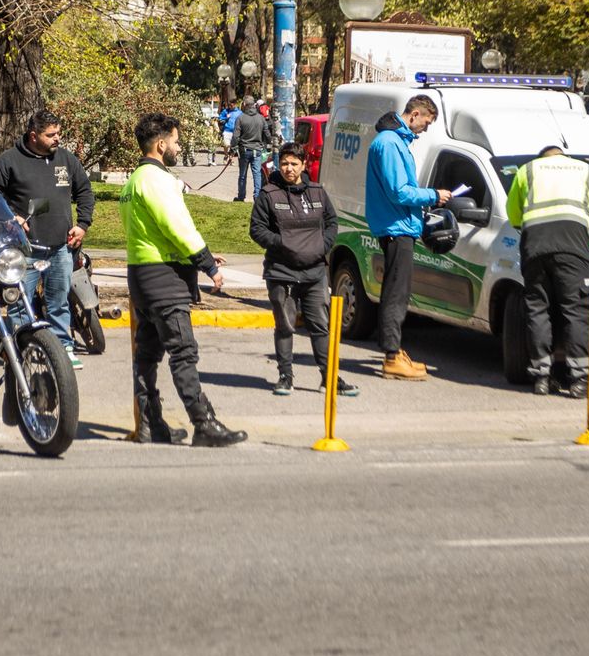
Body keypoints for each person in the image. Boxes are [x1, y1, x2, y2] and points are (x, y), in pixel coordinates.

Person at [120, 112, 246, 448]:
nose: (178, 146)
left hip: (142, 277)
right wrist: (208, 264)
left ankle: (150, 424)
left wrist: (201, 253)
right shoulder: (157, 180)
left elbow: (155, 231)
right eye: (175, 141)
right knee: (183, 353)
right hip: (164, 279)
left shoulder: (135, 180)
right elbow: (176, 226)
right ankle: (203, 424)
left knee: (147, 355)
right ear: (161, 144)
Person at [506, 145, 589, 397]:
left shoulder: (527, 171)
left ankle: (541, 378)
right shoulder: (586, 171)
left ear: (542, 159)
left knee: (537, 309)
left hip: (535, 246)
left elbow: (514, 216)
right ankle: (580, 380)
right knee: (576, 310)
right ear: (563, 156)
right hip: (573, 247)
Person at [0, 109, 96, 369]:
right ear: (33, 135)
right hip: (25, 250)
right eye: (51, 135)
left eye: (59, 133)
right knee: (20, 305)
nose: (58, 138)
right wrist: (12, 218)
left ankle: (62, 347)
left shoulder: (66, 159)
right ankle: (21, 350)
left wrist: (83, 225)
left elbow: (85, 192)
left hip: (61, 247)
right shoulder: (9, 161)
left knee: (58, 301)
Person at [250, 142, 359, 398]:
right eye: (284, 163)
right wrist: (282, 243)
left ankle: (329, 377)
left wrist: (323, 244)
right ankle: (285, 376)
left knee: (321, 326)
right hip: (282, 273)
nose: (288, 168)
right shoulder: (268, 194)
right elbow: (257, 229)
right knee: (285, 326)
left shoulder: (318, 192)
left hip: (315, 273)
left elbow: (332, 221)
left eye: (294, 164)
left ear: (303, 165)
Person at [366, 95, 451, 380]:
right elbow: (399, 191)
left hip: (399, 225)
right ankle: (391, 355)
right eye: (425, 123)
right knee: (396, 293)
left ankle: (395, 349)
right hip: (396, 227)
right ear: (414, 114)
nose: (424, 129)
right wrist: (433, 195)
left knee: (397, 290)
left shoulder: (395, 142)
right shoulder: (390, 143)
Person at [233, 96, 270, 202]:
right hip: (257, 150)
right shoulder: (261, 118)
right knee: (257, 174)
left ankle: (241, 196)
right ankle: (257, 196)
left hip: (244, 150)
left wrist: (233, 148)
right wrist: (270, 143)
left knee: (243, 175)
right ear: (254, 105)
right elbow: (267, 133)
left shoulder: (240, 118)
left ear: (244, 104)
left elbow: (236, 136)